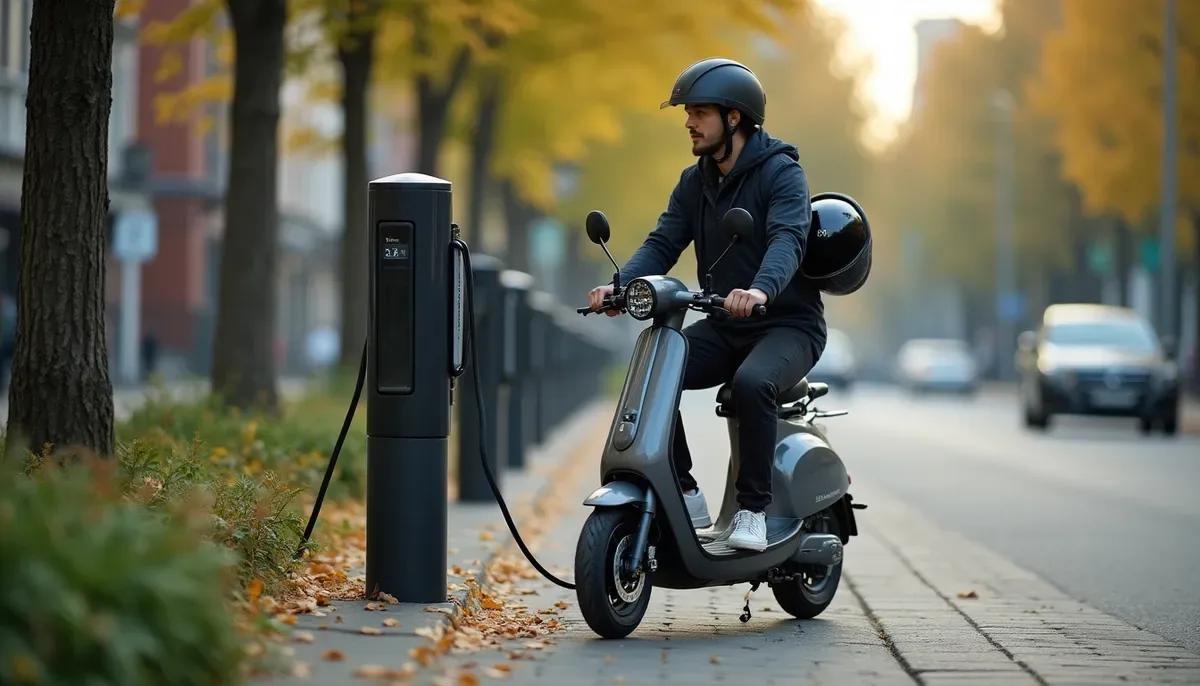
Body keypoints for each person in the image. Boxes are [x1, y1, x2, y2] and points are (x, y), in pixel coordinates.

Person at [586, 58, 825, 551]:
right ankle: (686, 488)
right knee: (655, 367)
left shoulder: (782, 174)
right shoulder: (694, 181)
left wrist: (760, 289)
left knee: (752, 382)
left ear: (733, 118)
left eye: (698, 112)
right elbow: (662, 243)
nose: (688, 123)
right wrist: (619, 287)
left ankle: (753, 511)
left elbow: (787, 240)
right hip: (725, 322)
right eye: (686, 113)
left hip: (787, 324)